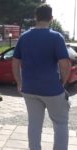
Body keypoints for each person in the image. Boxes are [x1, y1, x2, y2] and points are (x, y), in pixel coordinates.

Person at [12, 4, 71, 150]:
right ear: (51, 18)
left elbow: (15, 62)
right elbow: (65, 64)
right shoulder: (56, 37)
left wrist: (19, 82)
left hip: (29, 89)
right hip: (52, 89)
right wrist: (62, 83)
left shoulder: (24, 37)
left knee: (34, 124)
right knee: (61, 123)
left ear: (35, 17)